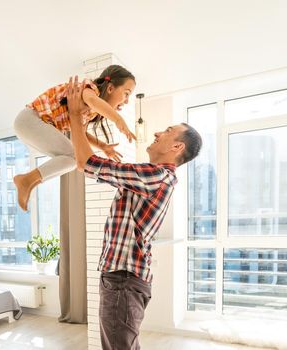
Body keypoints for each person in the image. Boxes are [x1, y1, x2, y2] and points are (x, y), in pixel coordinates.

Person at [66, 76, 202, 349]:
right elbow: (91, 161)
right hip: (122, 280)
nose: (156, 133)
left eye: (167, 130)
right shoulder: (154, 177)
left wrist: (75, 116)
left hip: (123, 281)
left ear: (177, 147)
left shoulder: (155, 176)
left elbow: (85, 163)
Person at [13, 65, 138, 212]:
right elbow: (93, 101)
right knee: (73, 157)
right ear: (110, 88)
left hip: (31, 124)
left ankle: (29, 181)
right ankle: (26, 180)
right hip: (30, 119)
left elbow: (81, 132)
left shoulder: (89, 111)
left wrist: (103, 146)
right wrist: (118, 120)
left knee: (71, 159)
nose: (127, 101)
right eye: (126, 94)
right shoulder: (88, 90)